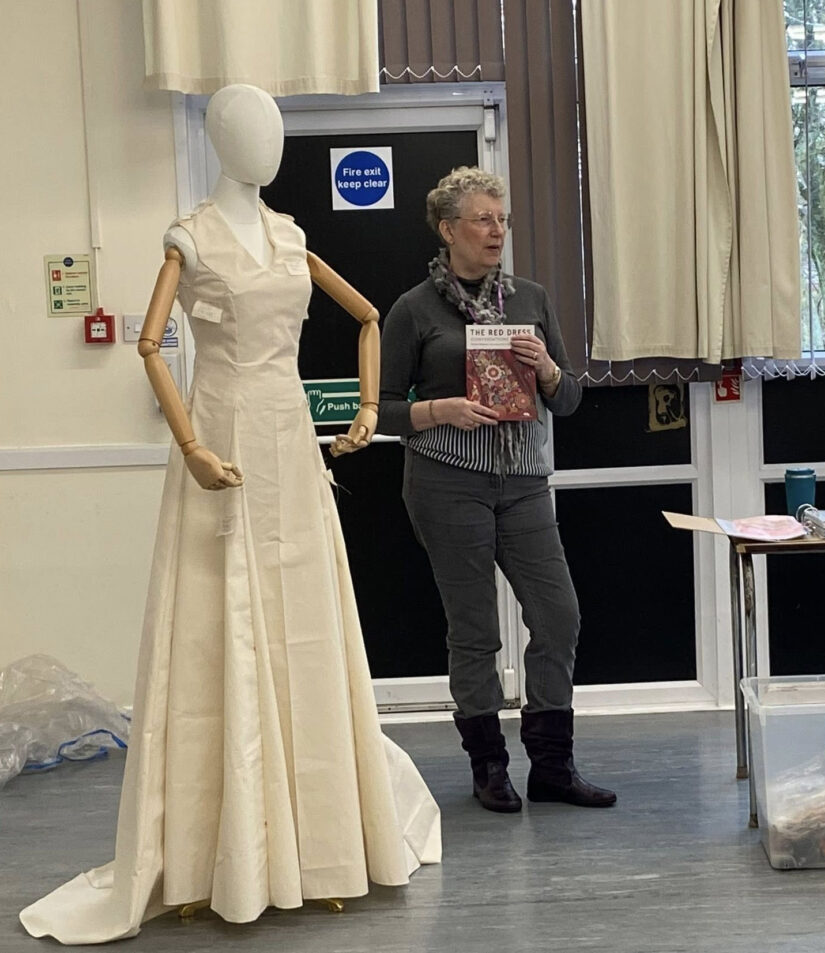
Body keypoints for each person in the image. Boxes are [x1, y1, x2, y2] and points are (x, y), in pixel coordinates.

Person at [20, 84, 441, 945]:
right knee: (220, 625)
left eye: (275, 128)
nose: (270, 142)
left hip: (289, 438)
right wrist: (191, 447)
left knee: (306, 627)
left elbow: (367, 316)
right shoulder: (191, 237)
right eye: (255, 128)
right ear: (219, 136)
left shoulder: (290, 237)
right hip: (225, 439)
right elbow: (149, 344)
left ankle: (320, 846)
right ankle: (222, 849)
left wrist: (369, 408)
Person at [377, 166, 616, 813]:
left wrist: (548, 370)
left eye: (502, 219)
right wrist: (440, 410)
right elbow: (382, 408)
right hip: (446, 482)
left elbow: (568, 399)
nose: (497, 231)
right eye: (483, 219)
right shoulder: (413, 310)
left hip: (524, 483)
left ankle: (553, 767)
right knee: (475, 628)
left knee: (559, 616)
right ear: (448, 228)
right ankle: (489, 768)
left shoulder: (530, 299)